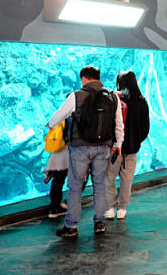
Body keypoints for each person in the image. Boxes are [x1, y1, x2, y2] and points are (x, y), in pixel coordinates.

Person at [48, 65, 124, 238]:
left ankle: (71, 226)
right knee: (99, 185)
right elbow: (119, 124)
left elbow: (58, 116)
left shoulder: (76, 95)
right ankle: (99, 223)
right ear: (99, 77)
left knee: (75, 186)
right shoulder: (112, 97)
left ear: (83, 78)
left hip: (79, 148)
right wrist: (118, 144)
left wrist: (51, 125)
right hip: (103, 147)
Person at [105, 70, 150, 220]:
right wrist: (135, 141)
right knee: (126, 180)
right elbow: (145, 129)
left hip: (114, 148)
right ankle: (122, 208)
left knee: (109, 178)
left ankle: (109, 208)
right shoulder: (142, 102)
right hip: (131, 149)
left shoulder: (114, 100)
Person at [43, 124, 69, 218]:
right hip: (73, 149)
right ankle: (67, 203)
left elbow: (50, 124)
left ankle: (54, 208)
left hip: (58, 148)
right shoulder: (79, 110)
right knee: (80, 179)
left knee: (58, 179)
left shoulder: (61, 113)